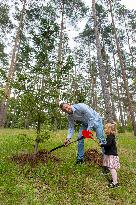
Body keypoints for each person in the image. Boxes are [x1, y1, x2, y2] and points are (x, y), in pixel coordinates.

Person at [100, 122, 120, 188]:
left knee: (112, 168)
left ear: (109, 129)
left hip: (112, 155)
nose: (104, 129)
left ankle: (115, 183)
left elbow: (108, 145)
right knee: (110, 167)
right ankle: (115, 179)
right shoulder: (110, 136)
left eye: (105, 128)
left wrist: (102, 145)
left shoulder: (110, 136)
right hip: (109, 154)